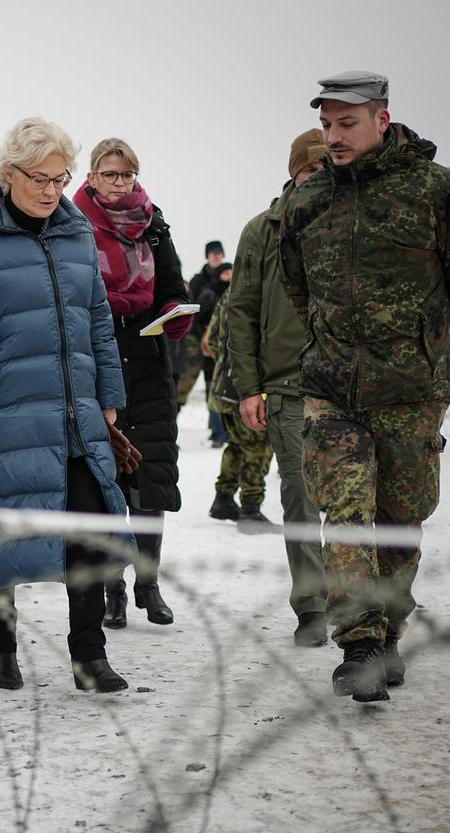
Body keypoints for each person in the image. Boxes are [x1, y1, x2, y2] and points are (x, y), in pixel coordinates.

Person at [281, 71, 450, 702]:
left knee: (400, 518)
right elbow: (299, 287)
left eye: (346, 123)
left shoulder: (435, 190)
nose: (334, 137)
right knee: (346, 513)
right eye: (327, 125)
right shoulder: (309, 202)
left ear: (382, 117)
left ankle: (389, 628)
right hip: (331, 388)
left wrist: (423, 346)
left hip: (411, 390)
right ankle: (361, 642)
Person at [0, 116, 140, 695]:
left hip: (74, 416)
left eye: (60, 178)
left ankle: (89, 657)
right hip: (3, 413)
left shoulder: (76, 235)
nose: (51, 190)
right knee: (3, 532)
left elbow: (97, 320)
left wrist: (109, 399)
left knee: (89, 531)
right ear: (9, 174)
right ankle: (1, 648)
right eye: (39, 178)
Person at [72, 137, 191, 629]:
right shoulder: (72, 223)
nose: (120, 184)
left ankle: (148, 581)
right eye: (110, 174)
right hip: (96, 360)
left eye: (127, 175)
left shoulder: (153, 224)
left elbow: (171, 286)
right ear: (92, 176)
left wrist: (174, 313)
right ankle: (111, 588)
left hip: (146, 358)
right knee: (105, 480)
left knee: (151, 480)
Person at [227, 128, 331, 647]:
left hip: (351, 384)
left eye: (327, 166)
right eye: (311, 168)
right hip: (290, 388)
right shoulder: (262, 230)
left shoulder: (353, 220)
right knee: (302, 497)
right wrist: (248, 386)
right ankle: (312, 605)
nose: (320, 176)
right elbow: (240, 311)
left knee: (362, 501)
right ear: (293, 172)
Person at [202, 285, 276, 528]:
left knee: (236, 445)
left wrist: (226, 364)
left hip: (222, 386)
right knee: (258, 447)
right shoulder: (262, 292)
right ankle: (251, 508)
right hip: (248, 388)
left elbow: (210, 340)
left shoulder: (228, 293)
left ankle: (223, 499)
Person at [178, 240, 229, 448]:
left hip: (222, 345)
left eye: (218, 253)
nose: (215, 256)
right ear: (207, 256)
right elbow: (191, 309)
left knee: (215, 386)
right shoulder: (199, 281)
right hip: (197, 342)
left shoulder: (231, 279)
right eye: (212, 253)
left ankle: (218, 432)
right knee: (183, 387)